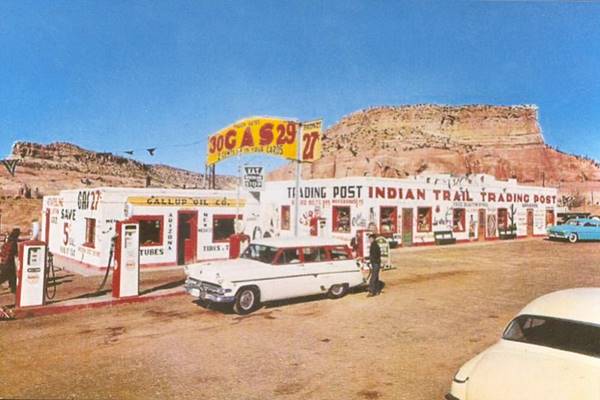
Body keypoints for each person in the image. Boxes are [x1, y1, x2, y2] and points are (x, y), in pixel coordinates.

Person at [0, 228, 20, 295]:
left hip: (4, 261)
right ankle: (13, 289)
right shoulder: (14, 242)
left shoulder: (8, 239)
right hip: (8, 262)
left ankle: (13, 289)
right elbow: (15, 253)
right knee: (5, 276)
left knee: (12, 276)